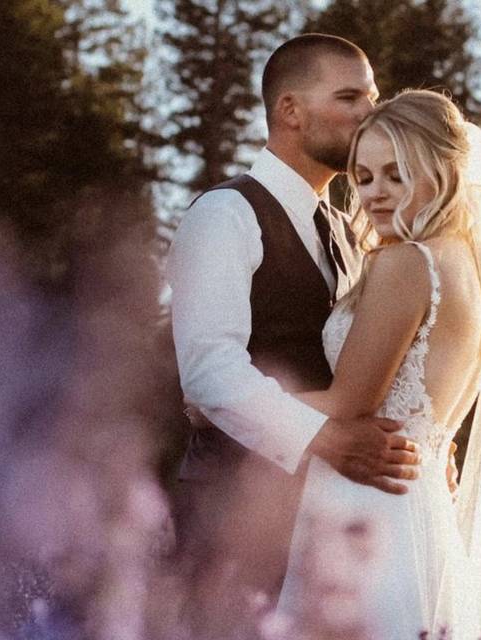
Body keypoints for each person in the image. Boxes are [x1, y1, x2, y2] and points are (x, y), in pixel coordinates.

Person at [276, 89, 481, 639]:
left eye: (397, 173)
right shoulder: (475, 268)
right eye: (363, 178)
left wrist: (231, 400)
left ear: (441, 172)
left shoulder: (407, 263)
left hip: (366, 504)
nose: (375, 195)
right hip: (423, 507)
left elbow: (348, 404)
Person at [165, 34, 423, 635]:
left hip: (331, 512)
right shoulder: (224, 215)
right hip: (230, 509)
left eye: (374, 98)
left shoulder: (350, 230)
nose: (370, 114)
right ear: (289, 111)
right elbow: (208, 372)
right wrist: (329, 438)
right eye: (350, 98)